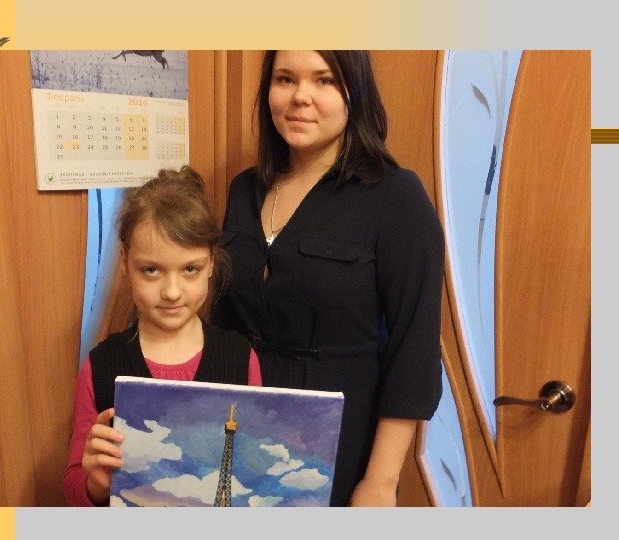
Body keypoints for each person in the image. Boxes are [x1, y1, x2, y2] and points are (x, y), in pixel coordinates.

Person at [211, 51, 444, 507]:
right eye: (285, 79)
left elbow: (413, 351)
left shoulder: (396, 197)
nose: (301, 96)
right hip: (241, 422)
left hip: (339, 437)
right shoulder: (244, 188)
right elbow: (221, 321)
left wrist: (380, 482)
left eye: (324, 81)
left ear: (355, 93)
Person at [63, 166, 262, 506]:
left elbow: (254, 470)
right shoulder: (101, 365)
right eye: (151, 270)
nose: (172, 292)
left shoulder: (240, 358)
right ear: (125, 262)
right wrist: (95, 482)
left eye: (190, 269)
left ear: (212, 262)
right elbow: (74, 484)